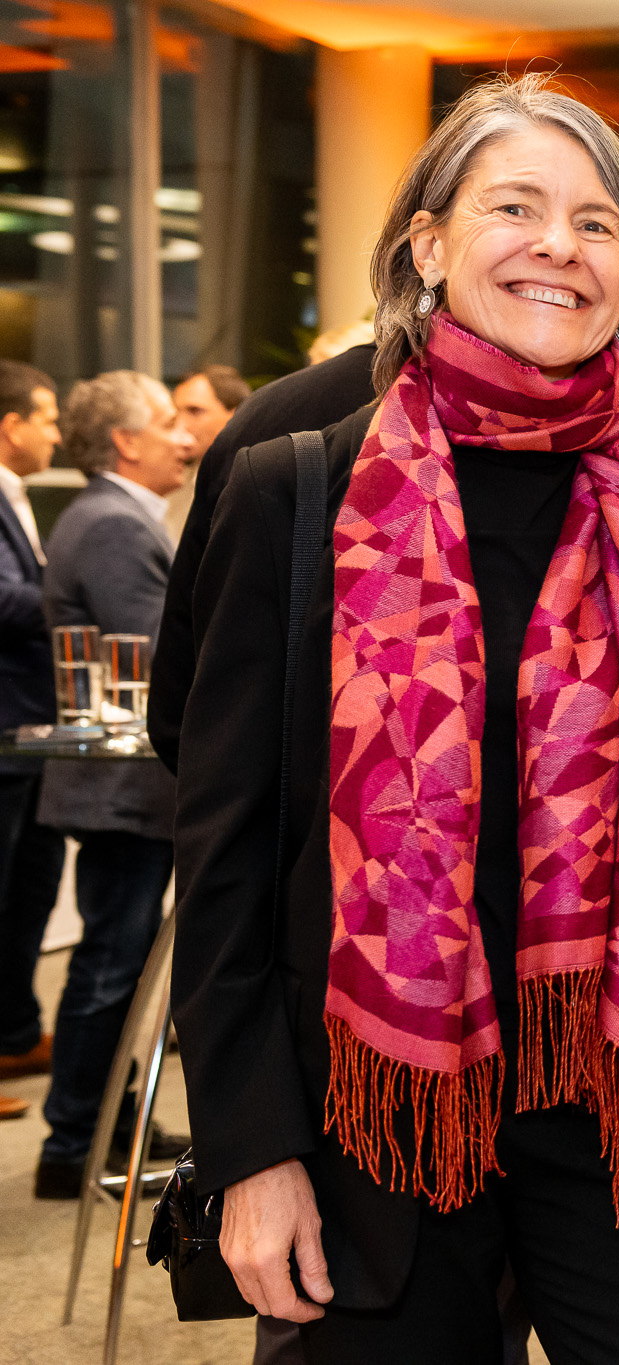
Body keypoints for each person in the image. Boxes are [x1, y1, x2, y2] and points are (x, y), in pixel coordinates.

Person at [168, 74, 619, 1362]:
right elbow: (225, 848)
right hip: (374, 1120)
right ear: (428, 245)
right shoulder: (299, 486)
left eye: (597, 222)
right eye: (515, 207)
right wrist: (250, 1151)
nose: (559, 244)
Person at [32, 370, 195, 1197]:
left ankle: (109, 1125)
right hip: (121, 791)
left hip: (124, 789)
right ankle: (74, 1144)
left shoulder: (114, 516)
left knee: (116, 965)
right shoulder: (114, 525)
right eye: (167, 422)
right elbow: (158, 655)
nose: (184, 438)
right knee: (110, 968)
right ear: (126, 441)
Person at [150, 342, 378, 774]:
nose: (182, 429)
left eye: (195, 411)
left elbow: (179, 688)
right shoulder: (274, 437)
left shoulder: (265, 415)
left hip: (260, 772)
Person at [0, 360, 64, 1117]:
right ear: (11, 425)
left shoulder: (18, 496)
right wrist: (68, 589)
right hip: (6, 729)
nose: (57, 433)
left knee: (28, 892)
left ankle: (14, 1034)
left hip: (29, 728)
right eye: (45, 418)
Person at [163, 364, 252, 541]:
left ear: (236, 414)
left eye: (194, 411)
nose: (180, 424)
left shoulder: (251, 484)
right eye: (175, 414)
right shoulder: (173, 481)